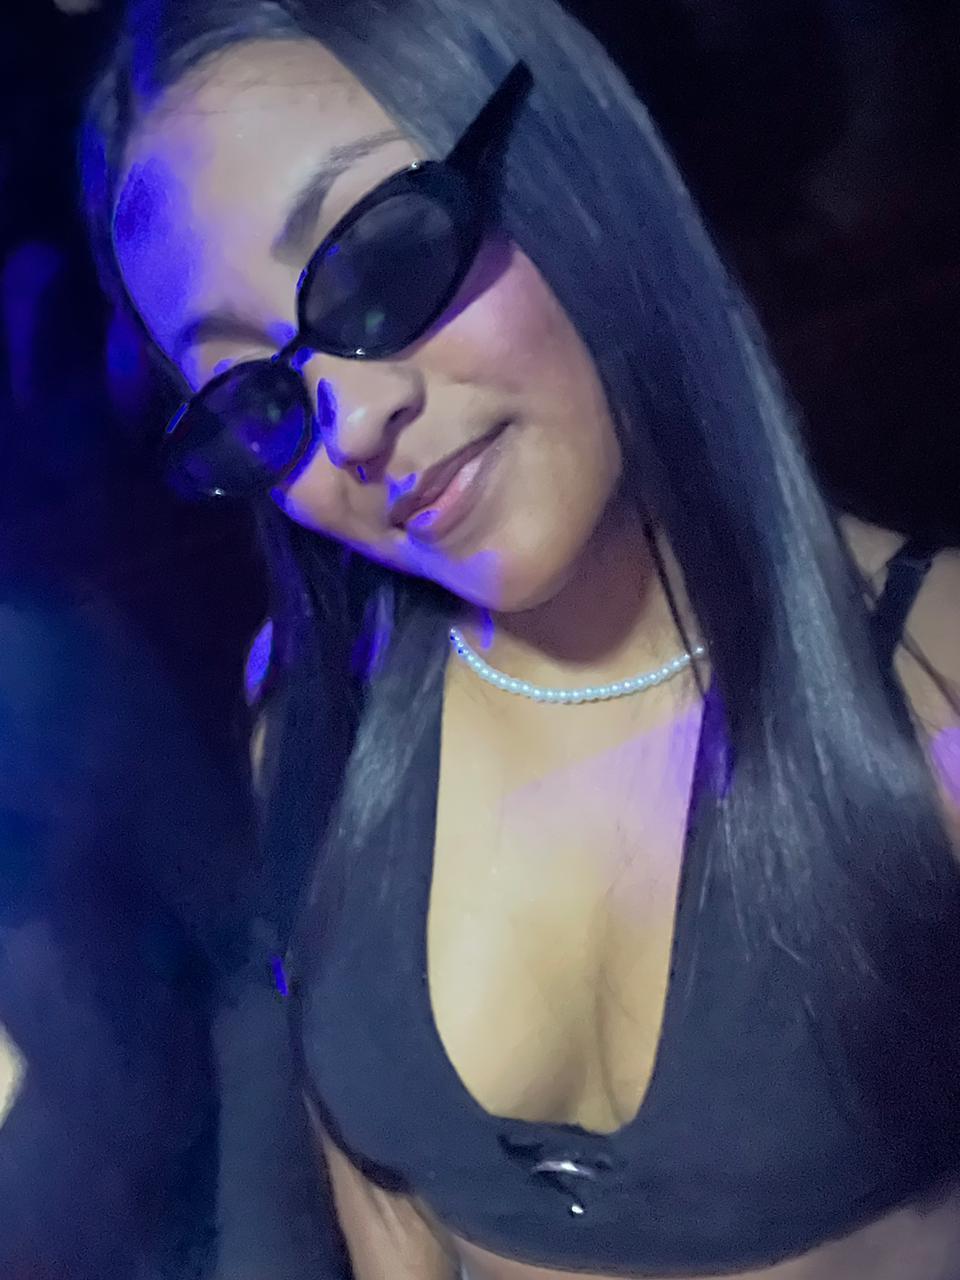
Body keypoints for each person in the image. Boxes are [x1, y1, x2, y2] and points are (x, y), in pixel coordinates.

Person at [82, 2, 960, 1277]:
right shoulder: (317, 715)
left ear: (569, 166)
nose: (352, 421)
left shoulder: (934, 683)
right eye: (251, 392)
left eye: (379, 262)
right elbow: (389, 1218)